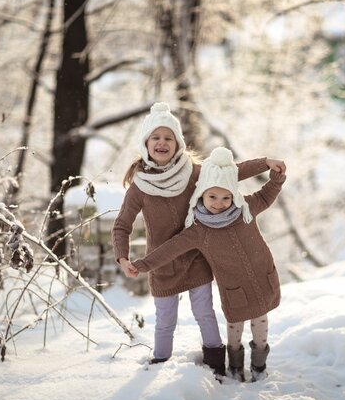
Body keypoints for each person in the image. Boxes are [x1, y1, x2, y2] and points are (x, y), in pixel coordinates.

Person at [112, 102, 285, 379]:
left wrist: (265, 163)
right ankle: (158, 365)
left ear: (178, 143)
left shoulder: (193, 172)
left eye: (169, 137)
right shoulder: (139, 187)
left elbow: (228, 174)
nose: (162, 142)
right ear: (146, 143)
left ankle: (216, 365)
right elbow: (122, 225)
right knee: (165, 320)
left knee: (204, 312)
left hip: (197, 256)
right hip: (162, 262)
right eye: (156, 137)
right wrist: (123, 257)